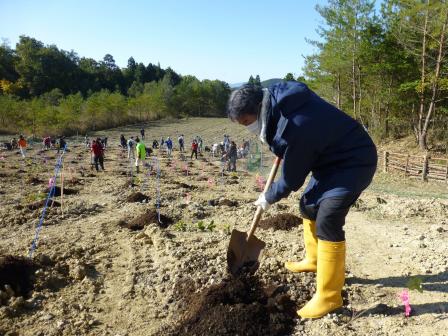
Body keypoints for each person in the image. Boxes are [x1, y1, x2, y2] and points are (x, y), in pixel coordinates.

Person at [227, 82, 377, 319]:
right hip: (328, 159)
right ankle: (314, 260)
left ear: (258, 108)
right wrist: (280, 144)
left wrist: (269, 196)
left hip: (354, 160)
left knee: (328, 217)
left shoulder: (295, 125)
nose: (248, 129)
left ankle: (329, 297)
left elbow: (292, 178)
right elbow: (288, 143)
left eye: (247, 123)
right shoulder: (276, 101)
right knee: (308, 206)